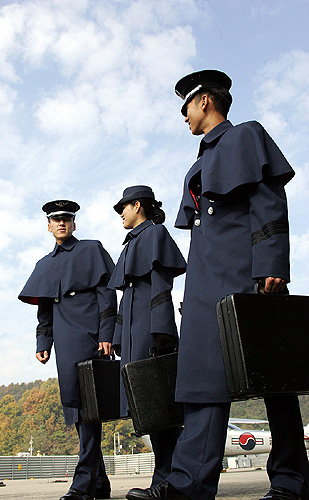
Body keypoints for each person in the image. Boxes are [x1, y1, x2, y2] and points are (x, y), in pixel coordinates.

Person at [126, 71, 309, 500]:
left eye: (185, 107)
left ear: (205, 101)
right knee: (201, 380)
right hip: (206, 285)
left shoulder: (245, 135)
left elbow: (268, 200)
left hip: (248, 273)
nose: (184, 116)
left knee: (272, 380)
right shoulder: (199, 161)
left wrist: (271, 263)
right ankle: (189, 485)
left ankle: (291, 481)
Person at [19, 200, 117, 500]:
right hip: (64, 342)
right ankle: (99, 484)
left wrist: (106, 334)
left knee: (90, 410)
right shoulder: (44, 265)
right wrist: (42, 343)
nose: (61, 224)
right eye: (56, 220)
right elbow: (44, 311)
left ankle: (82, 485)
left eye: (66, 219)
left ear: (74, 224)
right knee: (75, 411)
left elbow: (107, 295)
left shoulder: (91, 249)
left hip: (90, 337)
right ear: (48, 226)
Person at [108, 185, 186, 486]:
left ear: (137, 205)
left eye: (123, 209)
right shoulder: (129, 244)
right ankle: (168, 474)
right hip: (131, 332)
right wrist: (117, 335)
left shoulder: (154, 235)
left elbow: (161, 286)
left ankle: (169, 476)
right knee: (147, 406)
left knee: (159, 406)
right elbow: (125, 295)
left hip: (149, 330)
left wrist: (163, 331)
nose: (122, 215)